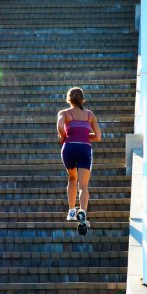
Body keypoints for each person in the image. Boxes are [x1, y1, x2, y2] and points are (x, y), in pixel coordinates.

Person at [57, 87, 101, 234]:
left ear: (69, 99)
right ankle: (82, 211)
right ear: (82, 99)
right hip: (84, 149)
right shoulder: (90, 115)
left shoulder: (64, 113)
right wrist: (84, 137)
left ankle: (70, 212)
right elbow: (98, 136)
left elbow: (59, 125)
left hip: (68, 148)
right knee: (83, 185)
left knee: (72, 178)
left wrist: (64, 136)